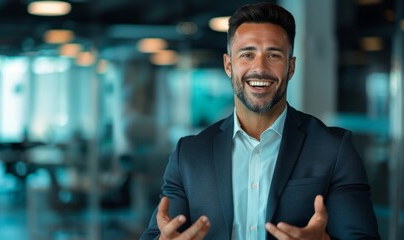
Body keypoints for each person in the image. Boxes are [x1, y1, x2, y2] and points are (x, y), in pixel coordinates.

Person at [140, 2, 380, 240]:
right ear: (228, 65)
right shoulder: (189, 155)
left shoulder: (334, 149)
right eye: (247, 54)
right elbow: (159, 233)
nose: (260, 68)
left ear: (291, 67)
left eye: (273, 55)